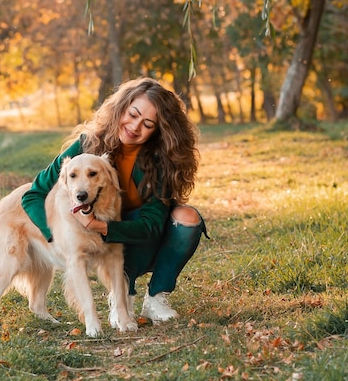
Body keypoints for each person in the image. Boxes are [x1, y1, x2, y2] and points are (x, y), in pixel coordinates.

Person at [21, 77, 209, 323]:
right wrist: (56, 235)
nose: (135, 126)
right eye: (132, 114)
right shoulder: (86, 145)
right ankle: (121, 296)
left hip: (139, 238)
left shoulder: (160, 162)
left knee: (188, 217)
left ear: (158, 131)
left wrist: (101, 226)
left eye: (148, 124)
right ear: (122, 108)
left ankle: (155, 298)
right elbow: (34, 194)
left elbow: (151, 226)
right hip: (101, 247)